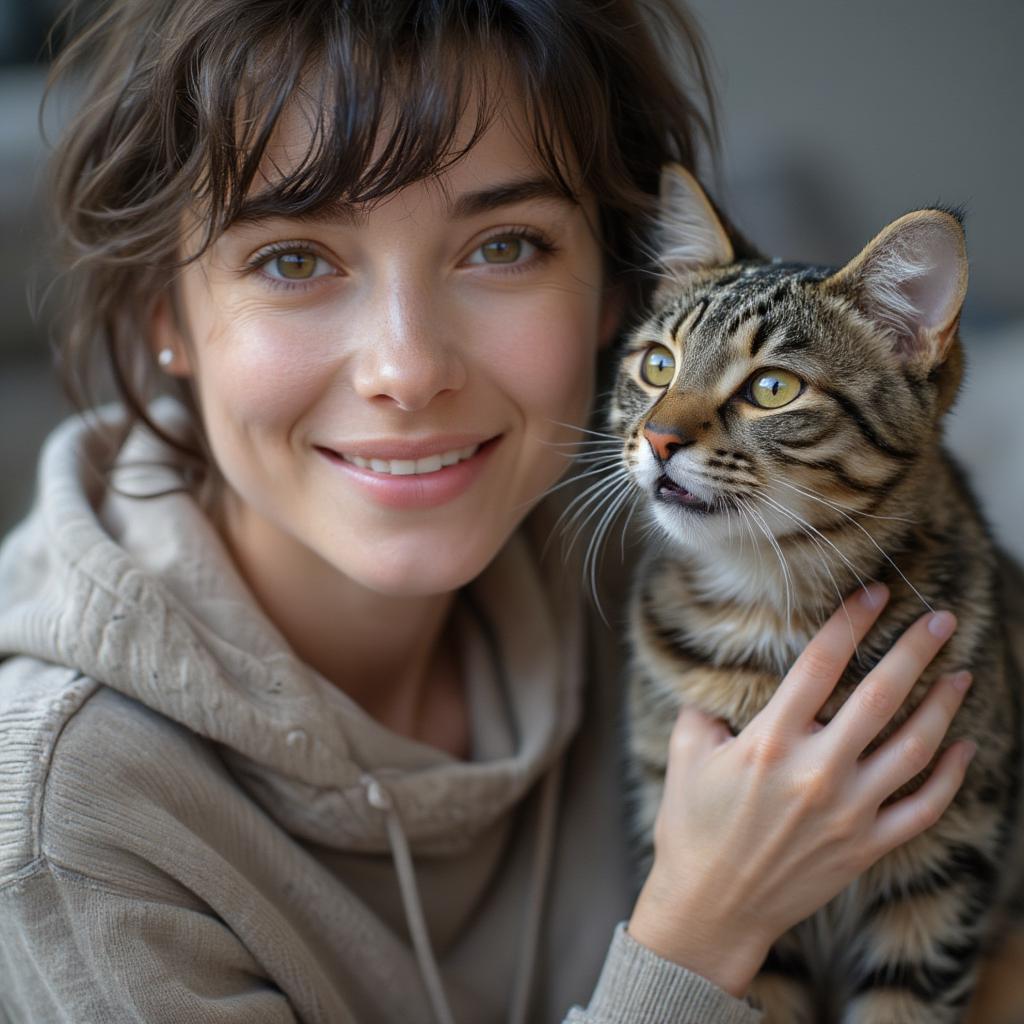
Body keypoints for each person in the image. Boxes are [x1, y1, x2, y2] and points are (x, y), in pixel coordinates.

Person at [0, 1, 992, 1021]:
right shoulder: (65, 819)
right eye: (293, 259)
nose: (408, 368)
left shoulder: (659, 533)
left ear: (615, 289)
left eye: (503, 245)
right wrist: (695, 938)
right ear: (165, 314)